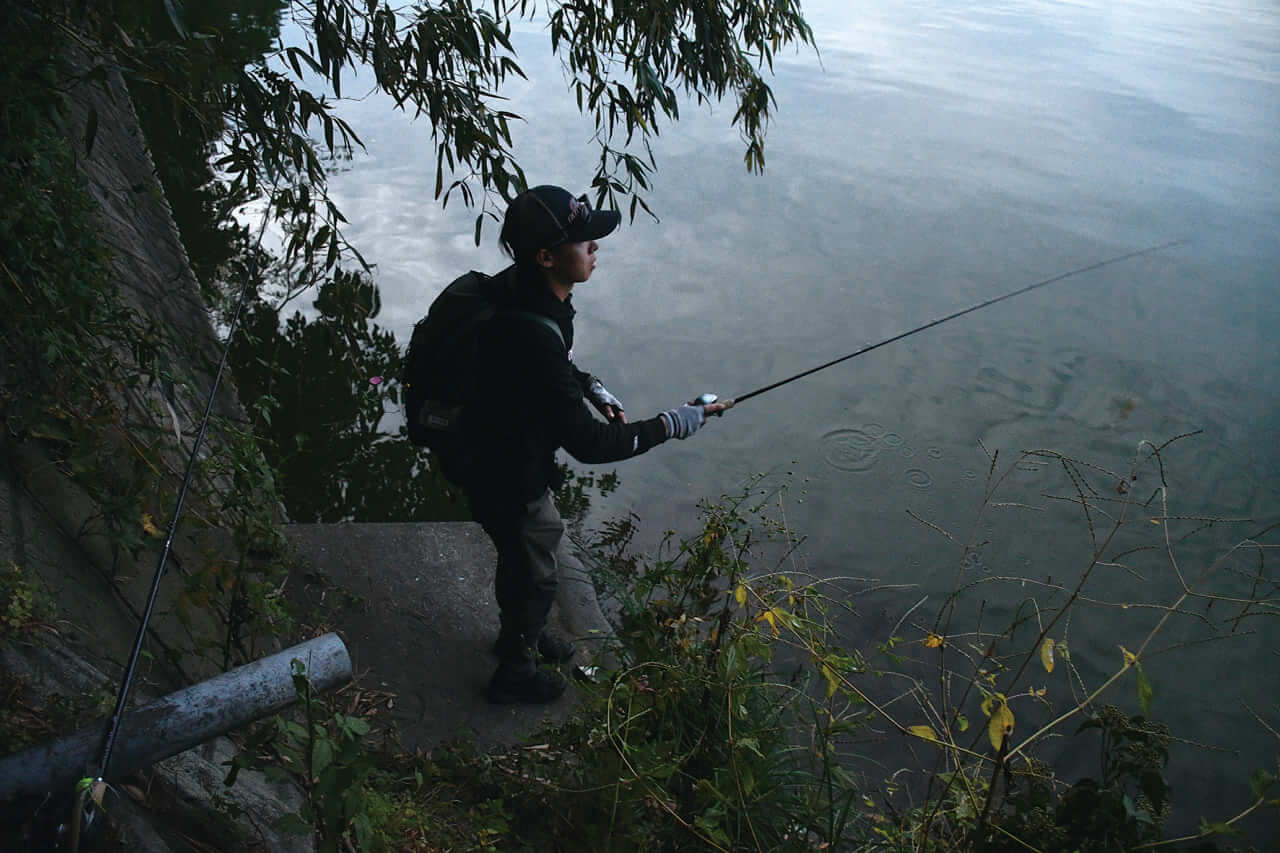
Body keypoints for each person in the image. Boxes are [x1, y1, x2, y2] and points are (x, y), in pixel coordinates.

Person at [465, 184, 728, 704]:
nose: (595, 248)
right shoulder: (533, 328)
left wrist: (589, 386)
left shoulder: (524, 293)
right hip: (504, 470)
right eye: (583, 241)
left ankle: (524, 634)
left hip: (488, 451)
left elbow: (550, 364)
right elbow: (592, 445)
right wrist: (674, 423)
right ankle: (513, 673)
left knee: (527, 556)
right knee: (537, 568)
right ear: (546, 256)